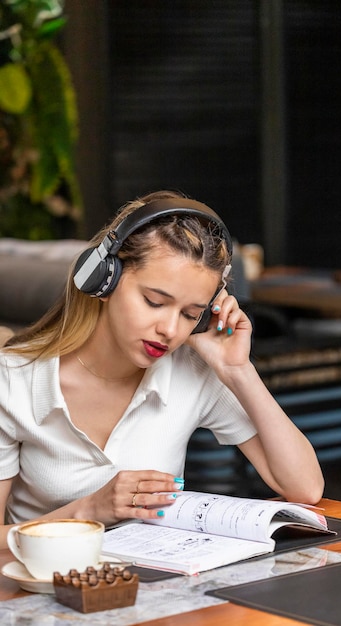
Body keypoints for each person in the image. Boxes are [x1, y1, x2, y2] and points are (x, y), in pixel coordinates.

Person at [0, 190, 324, 550]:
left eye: (190, 314)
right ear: (102, 279)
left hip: (155, 582)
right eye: (155, 302)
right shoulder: (13, 381)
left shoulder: (192, 371)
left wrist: (238, 370)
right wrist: (89, 510)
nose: (170, 330)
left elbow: (305, 488)